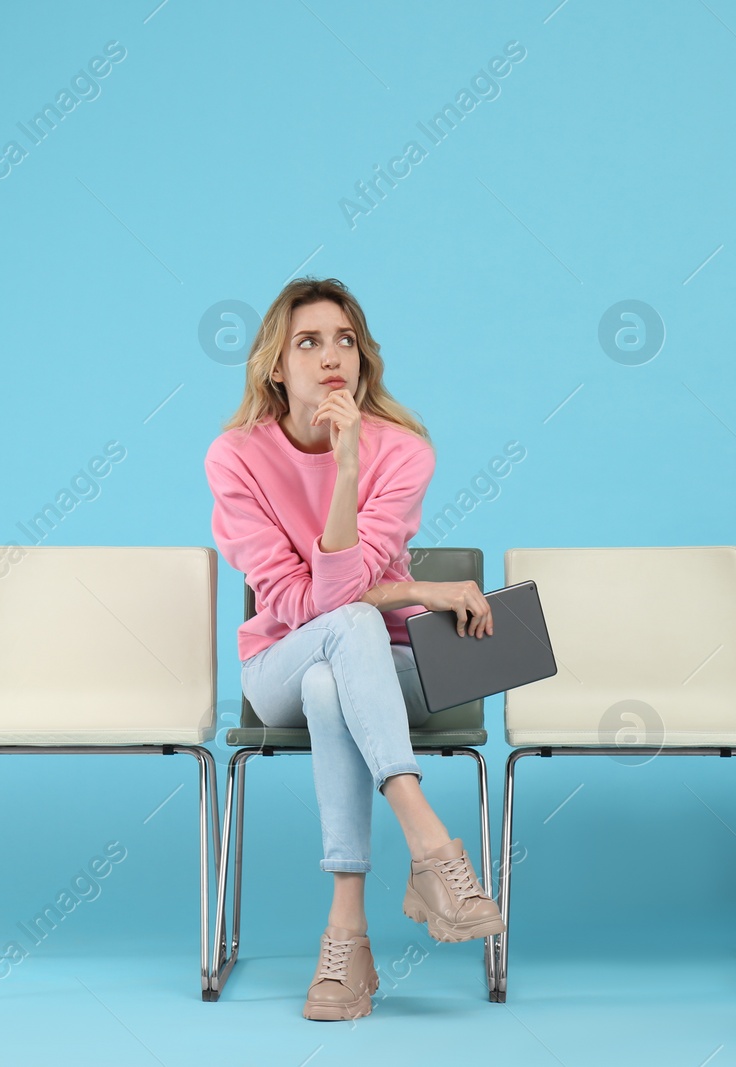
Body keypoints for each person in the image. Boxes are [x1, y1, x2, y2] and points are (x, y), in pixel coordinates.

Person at [204, 277, 504, 1021]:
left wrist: (351, 462)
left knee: (333, 680)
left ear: (364, 358)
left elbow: (339, 597)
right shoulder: (235, 456)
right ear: (276, 364)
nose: (331, 356)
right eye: (309, 341)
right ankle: (431, 844)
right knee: (340, 639)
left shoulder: (402, 451)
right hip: (274, 665)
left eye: (345, 340)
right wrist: (424, 590)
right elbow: (306, 606)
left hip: (384, 675)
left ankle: (347, 937)